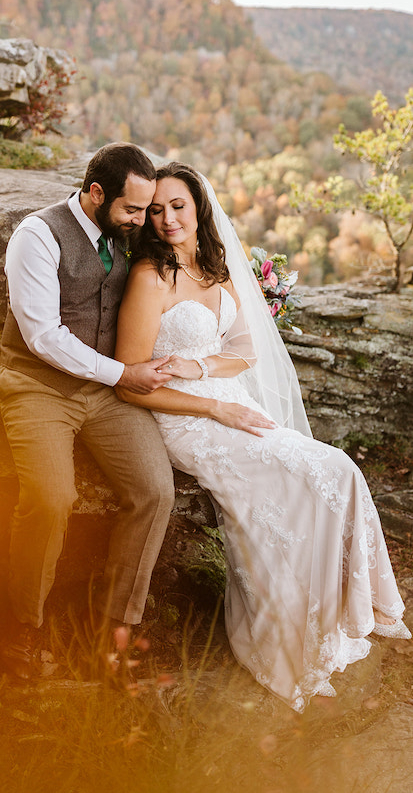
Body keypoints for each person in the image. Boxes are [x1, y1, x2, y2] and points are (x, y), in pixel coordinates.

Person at [115, 160, 408, 711]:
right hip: (183, 418)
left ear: (198, 206)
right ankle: (281, 638)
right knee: (291, 481)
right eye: (156, 210)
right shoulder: (149, 278)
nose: (167, 218)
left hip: (227, 400)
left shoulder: (217, 270)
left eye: (178, 205)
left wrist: (204, 371)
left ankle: (332, 617)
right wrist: (210, 408)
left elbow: (243, 354)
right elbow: (133, 383)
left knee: (337, 468)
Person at [0, 142, 178, 681]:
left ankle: (116, 630)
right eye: (132, 209)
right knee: (52, 498)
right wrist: (123, 374)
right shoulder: (37, 235)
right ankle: (21, 628)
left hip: (103, 392)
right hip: (39, 386)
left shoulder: (130, 230)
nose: (141, 220)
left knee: (154, 491)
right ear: (96, 193)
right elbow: (42, 336)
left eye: (147, 210)